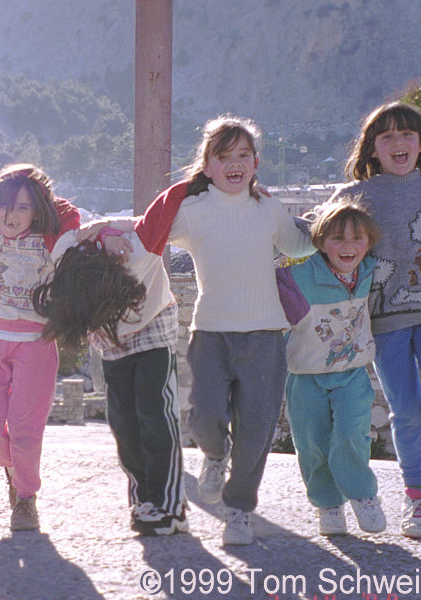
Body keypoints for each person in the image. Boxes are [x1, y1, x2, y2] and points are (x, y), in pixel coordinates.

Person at [136, 115, 314, 545]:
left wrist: (328, 223)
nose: (235, 163)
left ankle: (238, 510)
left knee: (256, 431)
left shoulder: (268, 208)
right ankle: (214, 456)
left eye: (243, 155)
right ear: (208, 165)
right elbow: (150, 234)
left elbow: (300, 244)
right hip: (210, 333)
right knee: (203, 418)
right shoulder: (192, 212)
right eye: (224, 155)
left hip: (266, 336)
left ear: (255, 162)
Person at [329, 101, 421, 538]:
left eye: (406, 133)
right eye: (386, 136)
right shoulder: (354, 197)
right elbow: (319, 237)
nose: (398, 142)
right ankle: (416, 498)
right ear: (371, 151)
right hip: (383, 321)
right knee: (403, 409)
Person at [33, 219, 188, 536]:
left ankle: (170, 508)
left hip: (152, 327)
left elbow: (150, 218)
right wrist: (100, 234)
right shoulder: (71, 248)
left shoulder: (131, 238)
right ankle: (144, 499)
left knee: (155, 412)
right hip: (111, 339)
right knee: (123, 420)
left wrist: (106, 230)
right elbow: (69, 225)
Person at [0, 164, 80, 531]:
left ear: (37, 211)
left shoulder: (47, 239)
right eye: (5, 205)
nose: (11, 215)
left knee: (24, 428)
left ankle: (26, 499)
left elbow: (71, 215)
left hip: (35, 346)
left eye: (22, 207)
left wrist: (39, 193)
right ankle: (16, 469)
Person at [276, 202, 386, 535]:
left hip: (352, 374)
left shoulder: (370, 273)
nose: (348, 246)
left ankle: (364, 496)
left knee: (351, 436)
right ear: (321, 241)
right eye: (337, 238)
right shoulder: (296, 279)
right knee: (311, 444)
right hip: (304, 377)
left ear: (369, 242)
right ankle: (328, 505)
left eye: (358, 238)